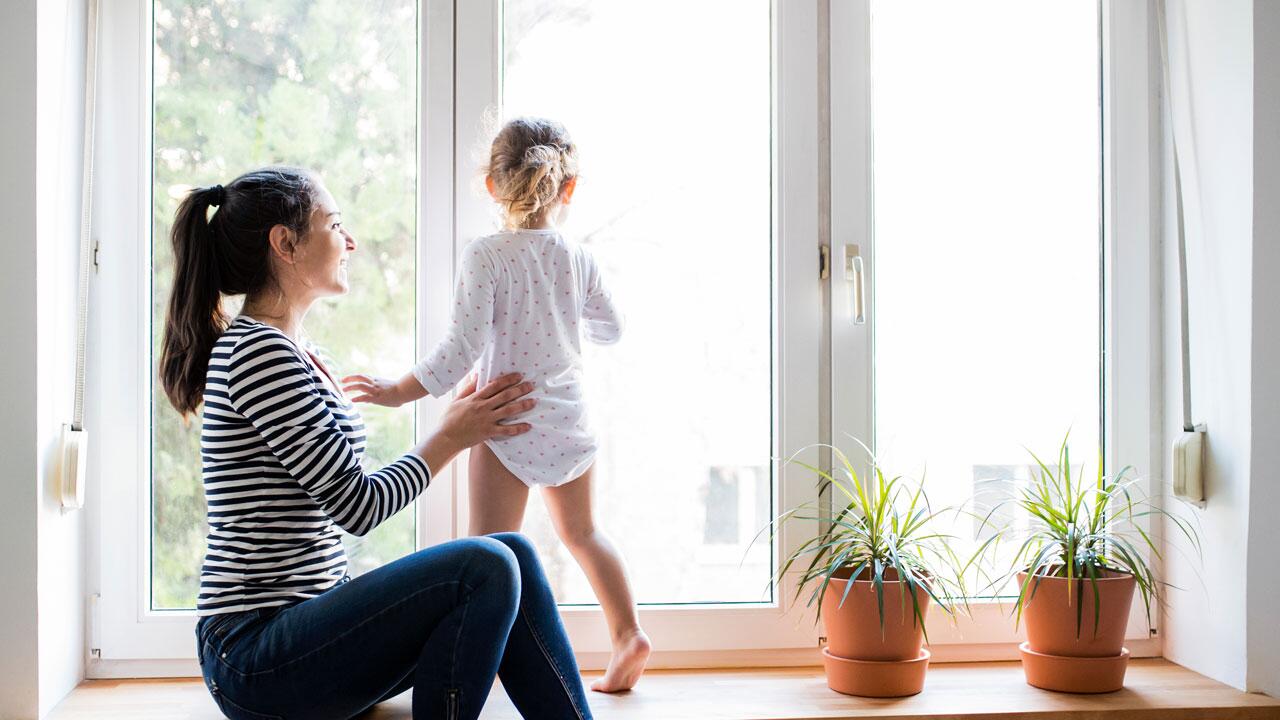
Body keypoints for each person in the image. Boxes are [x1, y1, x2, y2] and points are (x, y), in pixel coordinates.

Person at [159, 166, 593, 720]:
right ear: (285, 243)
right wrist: (451, 435)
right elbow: (358, 506)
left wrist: (457, 425)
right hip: (254, 656)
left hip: (307, 631)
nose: (350, 241)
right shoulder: (257, 355)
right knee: (483, 564)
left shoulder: (296, 351)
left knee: (512, 551)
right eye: (335, 224)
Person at [342, 117, 651, 693]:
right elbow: (612, 327)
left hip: (504, 417)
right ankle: (628, 634)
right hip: (567, 416)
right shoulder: (576, 257)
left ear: (491, 185)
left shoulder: (485, 256)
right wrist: (562, 315)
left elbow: (458, 352)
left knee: (488, 555)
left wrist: (393, 391)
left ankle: (484, 672)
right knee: (584, 534)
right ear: (569, 188)